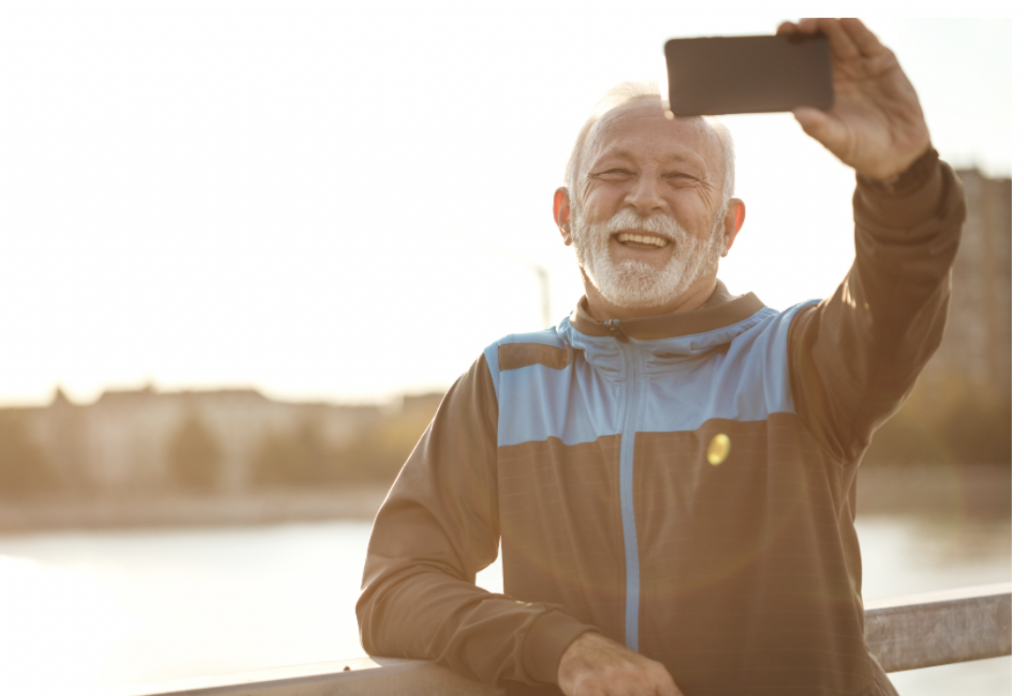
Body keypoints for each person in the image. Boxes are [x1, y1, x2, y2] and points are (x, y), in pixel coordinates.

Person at [357, 18, 965, 696]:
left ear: (728, 228)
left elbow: (899, 297)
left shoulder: (803, 360)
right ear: (565, 215)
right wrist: (558, 647)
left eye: (681, 178)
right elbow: (393, 590)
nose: (645, 197)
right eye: (615, 172)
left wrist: (902, 182)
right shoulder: (506, 383)